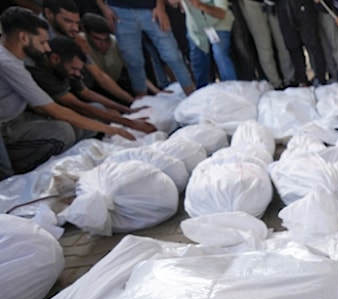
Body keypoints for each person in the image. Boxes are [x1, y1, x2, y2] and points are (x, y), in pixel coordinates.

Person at [0, 7, 132, 177]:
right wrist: (113, 129)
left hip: (20, 118)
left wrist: (123, 115)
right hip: (6, 127)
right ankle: (23, 173)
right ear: (24, 38)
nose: (47, 48)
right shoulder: (7, 63)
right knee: (64, 132)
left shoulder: (16, 58)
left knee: (84, 122)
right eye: (42, 42)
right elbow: (54, 109)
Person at [27, 34, 156, 134]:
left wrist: (127, 110)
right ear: (55, 59)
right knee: (67, 131)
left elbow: (87, 93)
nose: (77, 74)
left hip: (63, 111)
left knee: (98, 108)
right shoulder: (41, 73)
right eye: (74, 69)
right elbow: (76, 104)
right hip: (38, 120)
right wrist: (129, 123)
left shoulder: (65, 67)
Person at [93, 0, 194, 95]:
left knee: (172, 55)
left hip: (150, 8)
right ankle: (142, 99)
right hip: (119, 11)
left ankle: (190, 93)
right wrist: (104, 8)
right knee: (133, 60)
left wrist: (160, 7)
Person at [235, 0, 292, 88]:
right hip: (252, 4)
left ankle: (290, 79)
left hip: (274, 3)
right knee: (264, 46)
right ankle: (275, 83)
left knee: (282, 42)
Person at [177, 0, 235, 87]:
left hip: (218, 25)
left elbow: (222, 13)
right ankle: (202, 94)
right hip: (196, 30)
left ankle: (233, 88)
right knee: (198, 61)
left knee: (219, 53)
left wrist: (200, 5)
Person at [275, 0, 326, 86]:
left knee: (312, 42)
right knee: (293, 44)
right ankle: (302, 79)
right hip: (284, 6)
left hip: (304, 4)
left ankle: (321, 77)